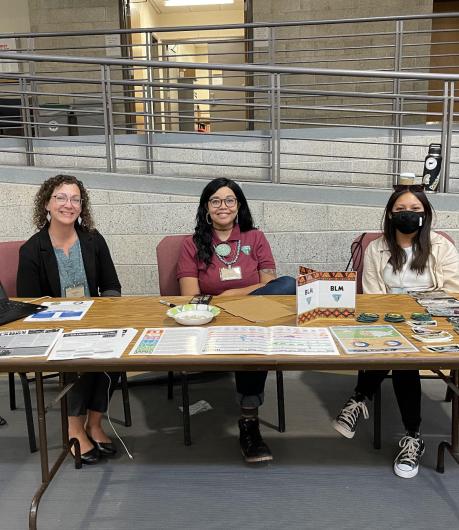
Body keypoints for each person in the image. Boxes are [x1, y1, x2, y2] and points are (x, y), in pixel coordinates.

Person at [332, 184, 459, 479]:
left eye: (415, 210)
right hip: (389, 318)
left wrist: (420, 312)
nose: (408, 215)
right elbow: (374, 295)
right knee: (401, 355)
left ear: (426, 214)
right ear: (390, 214)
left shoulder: (441, 246)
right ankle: (413, 436)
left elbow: (453, 292)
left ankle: (361, 398)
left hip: (432, 320)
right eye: (401, 210)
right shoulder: (376, 248)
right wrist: (394, 318)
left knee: (403, 356)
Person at [177, 177, 296, 463]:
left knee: (289, 283)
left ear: (238, 205)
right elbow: (191, 296)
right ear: (206, 207)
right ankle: (249, 420)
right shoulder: (191, 244)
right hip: (213, 318)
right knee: (255, 331)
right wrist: (238, 297)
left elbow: (271, 284)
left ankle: (248, 419)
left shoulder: (255, 237)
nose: (223, 206)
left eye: (230, 200)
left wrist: (232, 293)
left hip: (253, 313)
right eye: (215, 200)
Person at [17, 174, 122, 465]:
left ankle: (95, 422)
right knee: (79, 360)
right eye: (60, 198)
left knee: (118, 356)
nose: (69, 204)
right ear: (47, 204)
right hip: (55, 329)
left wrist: (105, 313)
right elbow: (30, 305)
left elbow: (112, 285)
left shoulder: (93, 240)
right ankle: (74, 427)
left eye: (75, 199)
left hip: (95, 320)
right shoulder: (31, 250)